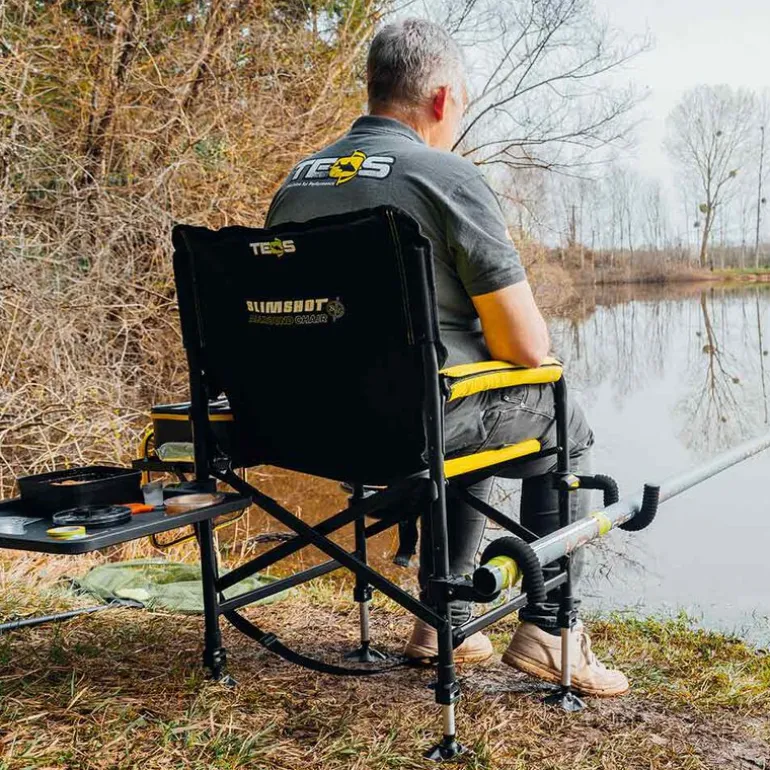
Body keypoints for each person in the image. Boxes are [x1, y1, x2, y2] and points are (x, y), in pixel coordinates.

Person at [266, 18, 628, 697]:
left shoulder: (297, 182)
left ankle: (445, 619)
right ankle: (550, 627)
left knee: (459, 405)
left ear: (374, 87)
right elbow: (527, 347)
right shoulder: (445, 177)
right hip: (409, 424)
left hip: (302, 426)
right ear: (440, 99)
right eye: (460, 104)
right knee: (560, 416)